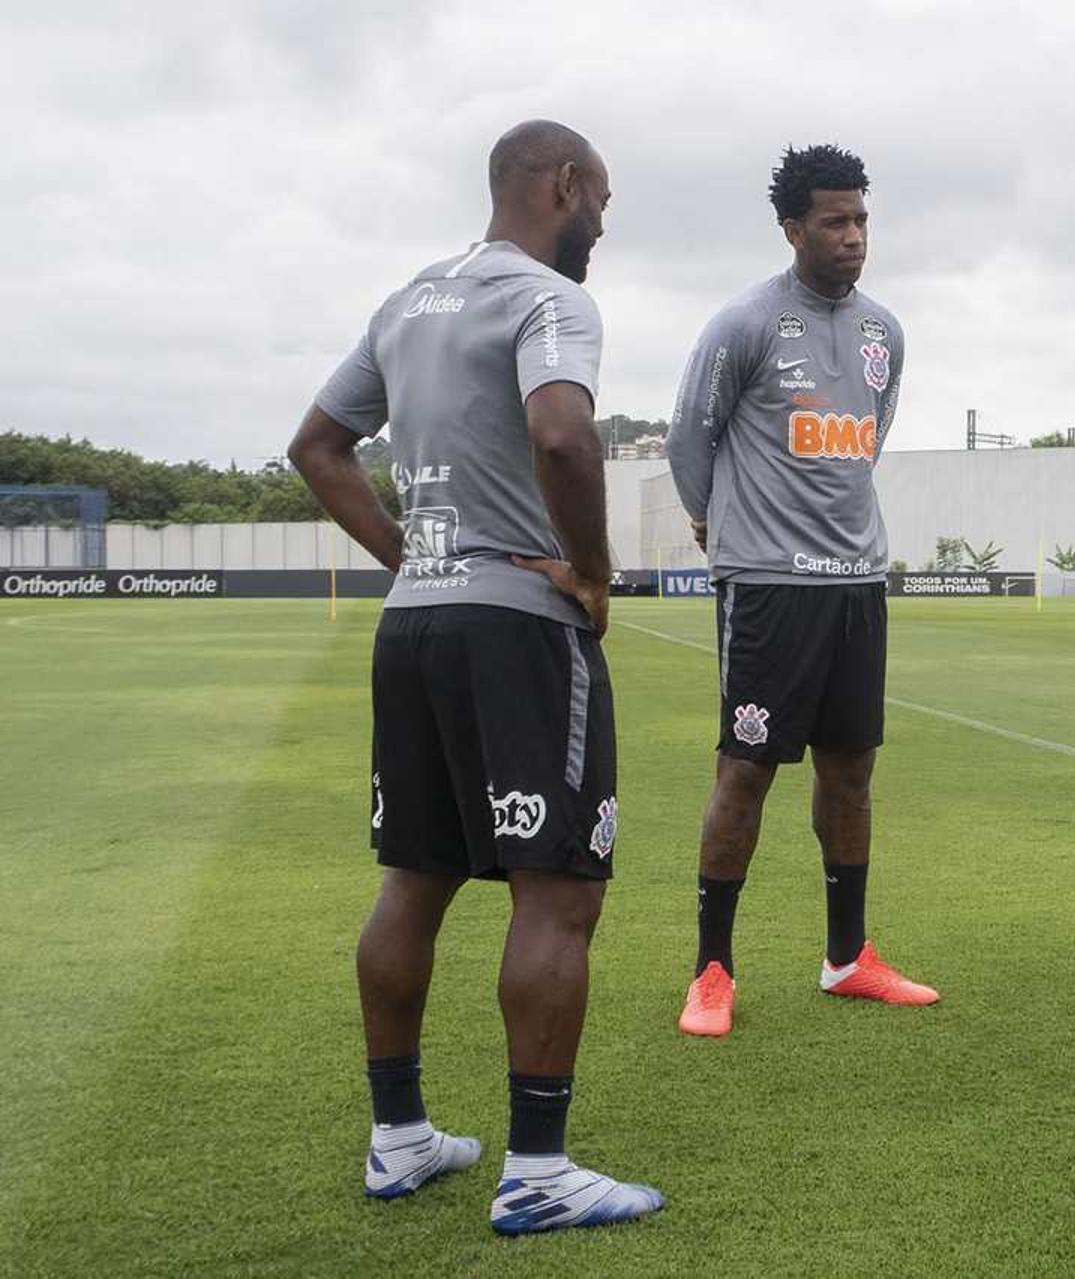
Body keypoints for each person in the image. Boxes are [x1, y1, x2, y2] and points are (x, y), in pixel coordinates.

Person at [288, 120, 664, 1235]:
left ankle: (399, 1139)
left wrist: (412, 557)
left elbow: (317, 446)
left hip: (413, 628)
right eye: (601, 197)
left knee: (415, 876)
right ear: (563, 185)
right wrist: (593, 574)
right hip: (516, 632)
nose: (604, 219)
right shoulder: (551, 298)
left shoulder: (406, 301)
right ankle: (538, 1168)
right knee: (560, 890)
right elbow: (563, 435)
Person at [665, 144, 938, 1039]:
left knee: (851, 772)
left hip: (857, 583)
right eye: (835, 220)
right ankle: (712, 969)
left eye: (861, 218)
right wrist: (719, 528)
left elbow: (868, 437)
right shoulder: (744, 323)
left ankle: (847, 956)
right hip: (769, 587)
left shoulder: (883, 333)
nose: (854, 236)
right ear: (793, 228)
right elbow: (688, 441)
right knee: (744, 772)